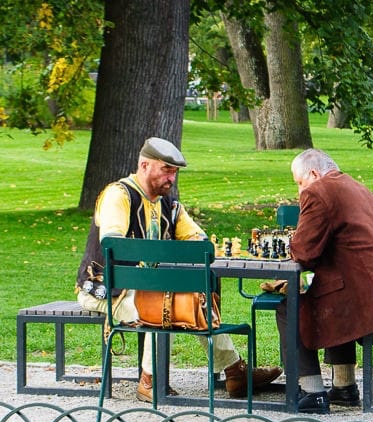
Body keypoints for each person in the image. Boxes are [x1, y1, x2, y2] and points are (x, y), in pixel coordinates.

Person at [76, 137, 282, 403]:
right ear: (144, 165)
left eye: (174, 172)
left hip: (148, 291)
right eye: (166, 170)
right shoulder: (119, 195)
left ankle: (234, 372)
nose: (171, 178)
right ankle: (151, 381)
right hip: (106, 291)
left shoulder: (169, 205)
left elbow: (200, 242)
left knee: (190, 300)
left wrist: (193, 248)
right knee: (165, 303)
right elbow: (113, 244)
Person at [276, 149, 373, 414]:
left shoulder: (318, 191)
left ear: (314, 174)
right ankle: (344, 387)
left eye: (299, 182)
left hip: (372, 295)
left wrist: (291, 242)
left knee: (289, 306)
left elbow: (304, 251)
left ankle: (312, 391)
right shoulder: (355, 185)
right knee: (327, 295)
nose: (299, 190)